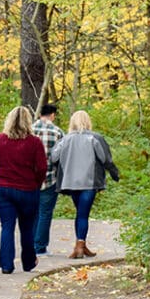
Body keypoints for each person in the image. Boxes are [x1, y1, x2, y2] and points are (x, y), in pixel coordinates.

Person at [0, 105, 47, 275]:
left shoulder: (0, 139)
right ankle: (28, 262)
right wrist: (36, 183)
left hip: (3, 189)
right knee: (27, 228)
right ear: (28, 122)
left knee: (7, 226)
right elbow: (42, 168)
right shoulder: (34, 142)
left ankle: (6, 264)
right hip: (27, 189)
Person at [50, 110, 120, 259]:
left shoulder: (65, 139)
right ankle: (80, 245)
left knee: (80, 213)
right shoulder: (95, 138)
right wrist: (114, 173)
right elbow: (105, 158)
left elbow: (54, 157)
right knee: (83, 214)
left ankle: (80, 245)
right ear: (88, 121)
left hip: (70, 182)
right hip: (89, 181)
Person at [32, 103, 65, 256]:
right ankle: (40, 247)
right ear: (53, 115)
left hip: (30, 179)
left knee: (32, 213)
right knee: (45, 213)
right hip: (50, 178)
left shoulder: (30, 130)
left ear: (40, 115)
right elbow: (62, 157)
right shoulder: (58, 132)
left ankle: (30, 244)